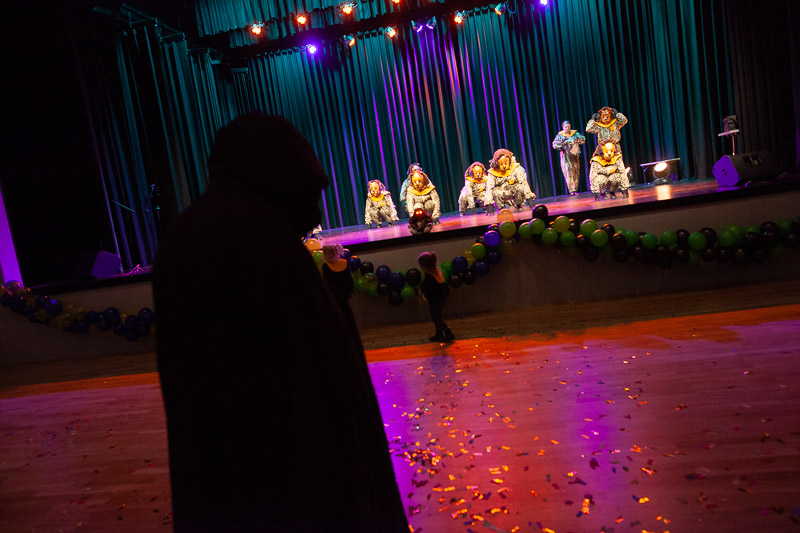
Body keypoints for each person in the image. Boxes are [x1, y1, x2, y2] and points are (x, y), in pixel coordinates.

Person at [153, 112, 408, 533]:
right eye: (311, 184)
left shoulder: (207, 232)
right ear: (277, 173)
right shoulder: (254, 240)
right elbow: (300, 381)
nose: (318, 201)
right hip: (283, 481)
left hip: (235, 474)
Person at [417, 251, 455, 343]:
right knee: (437, 317)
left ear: (423, 266)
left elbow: (428, 290)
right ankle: (439, 333)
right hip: (440, 300)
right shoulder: (437, 274)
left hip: (435, 301)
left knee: (437, 318)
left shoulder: (429, 278)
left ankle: (448, 333)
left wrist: (426, 297)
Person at [551, 120, 586, 195]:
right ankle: (571, 190)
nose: (567, 128)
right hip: (565, 156)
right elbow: (554, 145)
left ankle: (575, 189)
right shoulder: (560, 135)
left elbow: (583, 139)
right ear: (563, 127)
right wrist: (563, 144)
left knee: (575, 171)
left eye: (568, 127)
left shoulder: (575, 133)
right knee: (568, 171)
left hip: (574, 156)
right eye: (565, 127)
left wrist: (575, 139)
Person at [321, 243, 354, 319]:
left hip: (334, 295)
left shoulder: (326, 267)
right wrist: (350, 290)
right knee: (346, 312)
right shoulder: (344, 263)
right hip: (344, 293)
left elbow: (327, 283)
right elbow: (349, 279)